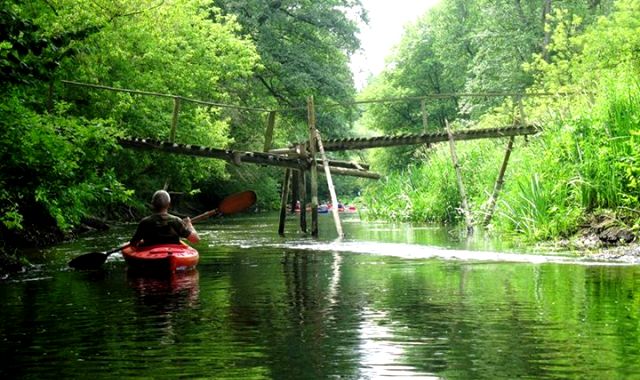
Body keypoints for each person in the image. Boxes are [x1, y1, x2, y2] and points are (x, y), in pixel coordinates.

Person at [130, 190, 200, 247]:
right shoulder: (176, 220)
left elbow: (133, 243)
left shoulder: (145, 222)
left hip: (150, 255)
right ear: (169, 205)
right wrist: (189, 224)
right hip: (173, 252)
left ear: (152, 204)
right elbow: (195, 239)